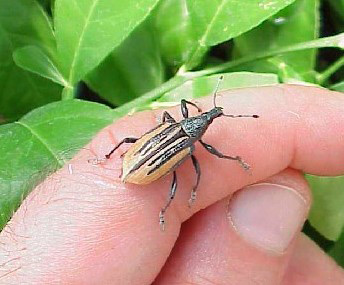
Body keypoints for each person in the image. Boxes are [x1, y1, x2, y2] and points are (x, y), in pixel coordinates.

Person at [0, 84, 343, 284]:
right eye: (203, 118)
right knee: (179, 178)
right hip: (141, 163)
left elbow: (206, 143)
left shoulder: (186, 139)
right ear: (195, 123)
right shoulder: (188, 143)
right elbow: (210, 149)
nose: (206, 121)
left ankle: (148, 191)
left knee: (176, 175)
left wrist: (227, 144)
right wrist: (235, 158)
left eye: (205, 120)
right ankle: (154, 197)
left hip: (145, 160)